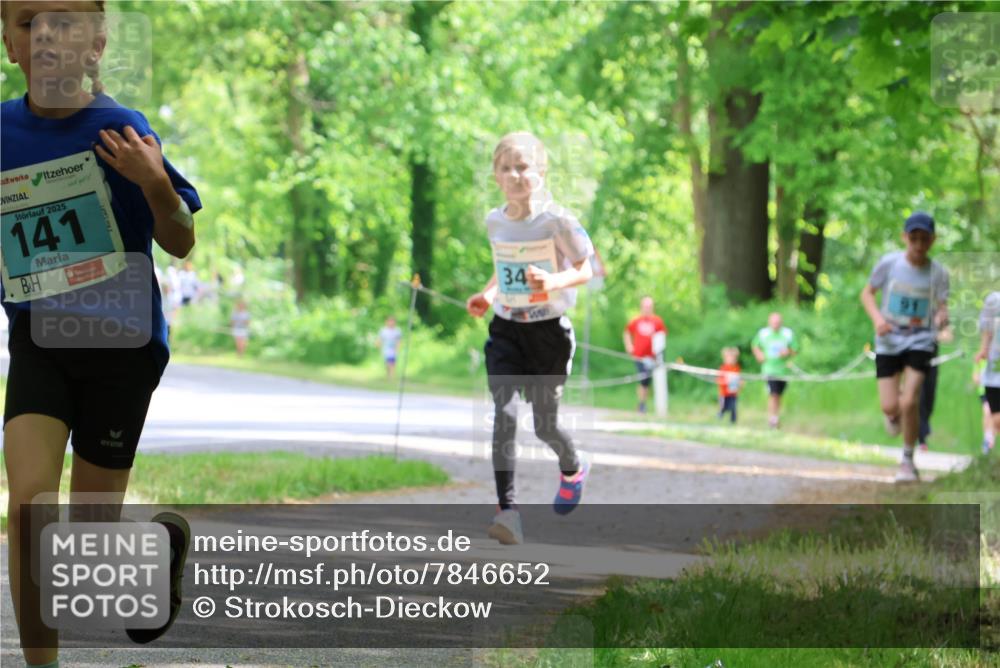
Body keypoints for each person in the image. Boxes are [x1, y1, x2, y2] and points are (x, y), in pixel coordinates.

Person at [1, 2, 200, 664]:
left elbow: (182, 241)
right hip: (40, 339)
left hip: (121, 344)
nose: (47, 35)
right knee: (28, 507)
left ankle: (154, 557)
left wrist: (154, 187)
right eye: (28, 20)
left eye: (65, 21)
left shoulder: (121, 128)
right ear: (8, 42)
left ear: (97, 44)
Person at [466, 131, 593, 545]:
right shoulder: (494, 221)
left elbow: (584, 268)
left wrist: (553, 280)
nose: (516, 175)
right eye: (507, 168)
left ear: (540, 172)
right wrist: (486, 296)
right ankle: (508, 512)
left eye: (524, 167)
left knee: (544, 425)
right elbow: (502, 269)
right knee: (502, 414)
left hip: (549, 334)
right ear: (496, 176)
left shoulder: (558, 220)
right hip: (506, 328)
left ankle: (572, 466)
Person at [860, 212, 950, 483]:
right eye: (914, 239)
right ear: (904, 238)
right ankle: (894, 411)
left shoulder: (939, 273)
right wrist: (878, 321)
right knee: (891, 407)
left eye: (924, 239)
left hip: (921, 341)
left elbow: (942, 307)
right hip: (888, 340)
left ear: (932, 240)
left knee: (910, 400)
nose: (919, 245)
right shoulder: (889, 264)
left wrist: (941, 319)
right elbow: (867, 293)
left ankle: (908, 461)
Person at [751, 312, 798, 429]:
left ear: (781, 323)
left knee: (779, 395)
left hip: (783, 370)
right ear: (769, 322)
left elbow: (795, 349)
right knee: (773, 394)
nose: (775, 324)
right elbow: (754, 345)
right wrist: (759, 355)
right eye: (773, 322)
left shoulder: (788, 334)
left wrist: (788, 352)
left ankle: (775, 417)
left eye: (778, 322)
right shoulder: (764, 333)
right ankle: (773, 420)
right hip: (769, 369)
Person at [623, 296, 667, 414]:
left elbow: (662, 338)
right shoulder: (636, 321)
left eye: (649, 307)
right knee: (643, 378)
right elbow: (627, 332)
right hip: (639, 357)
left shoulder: (657, 321)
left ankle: (646, 403)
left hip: (653, 358)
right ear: (641, 307)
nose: (647, 309)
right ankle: (642, 404)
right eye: (645, 306)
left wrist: (659, 355)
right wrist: (629, 346)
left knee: (648, 381)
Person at [975, 291, 1000, 456]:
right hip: (995, 371)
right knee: (996, 417)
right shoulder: (994, 300)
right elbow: (987, 329)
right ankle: (988, 447)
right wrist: (983, 349)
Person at [717, 347, 743, 424]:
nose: (732, 360)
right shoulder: (723, 368)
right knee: (724, 406)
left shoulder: (737, 368)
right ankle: (720, 414)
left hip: (733, 392)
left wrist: (740, 383)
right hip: (724, 393)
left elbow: (739, 378)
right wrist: (725, 381)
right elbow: (719, 379)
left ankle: (733, 421)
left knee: (733, 407)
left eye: (733, 358)